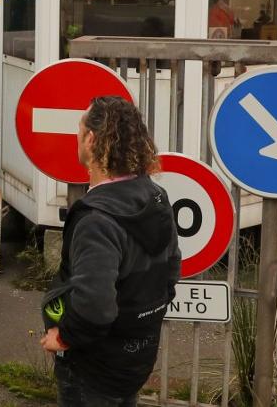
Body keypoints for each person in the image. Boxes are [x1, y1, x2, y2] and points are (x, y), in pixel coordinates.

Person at [41, 96, 181, 407]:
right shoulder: (155, 197)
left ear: (91, 140)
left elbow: (96, 307)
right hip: (137, 357)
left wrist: (63, 338)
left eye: (79, 129)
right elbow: (171, 271)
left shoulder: (97, 221)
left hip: (94, 367)